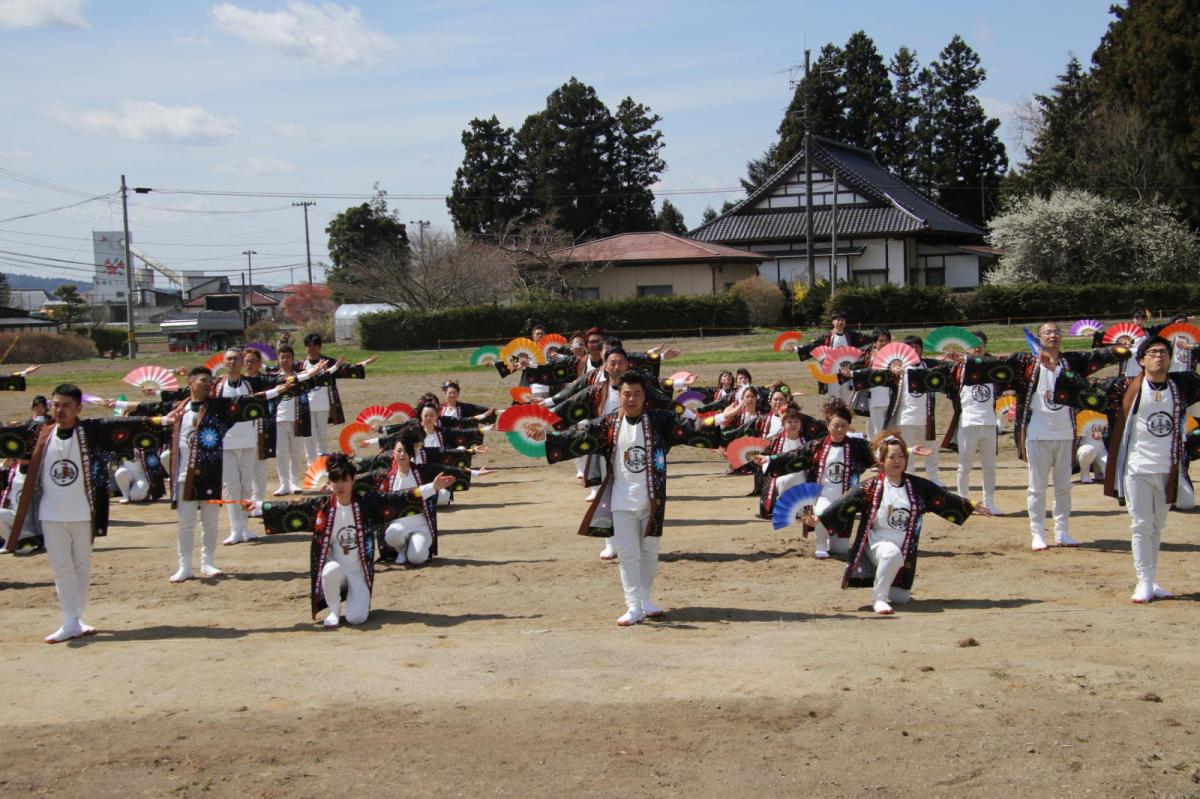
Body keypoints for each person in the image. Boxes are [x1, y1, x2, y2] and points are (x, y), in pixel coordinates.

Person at [538, 370, 723, 625]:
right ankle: (633, 606)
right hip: (621, 500)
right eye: (627, 394)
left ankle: (645, 600)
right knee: (628, 554)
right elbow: (577, 437)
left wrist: (723, 417)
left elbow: (692, 428)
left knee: (649, 552)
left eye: (637, 394)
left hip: (653, 499)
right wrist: (545, 437)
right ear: (620, 395)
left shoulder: (660, 421)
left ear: (645, 396)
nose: (632, 399)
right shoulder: (607, 425)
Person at [108, 366, 308, 581]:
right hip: (184, 476)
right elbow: (147, 407)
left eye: (210, 381)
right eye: (203, 380)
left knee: (210, 522)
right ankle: (185, 566)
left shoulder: (219, 408)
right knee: (186, 523)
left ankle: (207, 563)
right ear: (190, 384)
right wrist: (117, 404)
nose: (208, 384)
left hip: (211, 474)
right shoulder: (178, 408)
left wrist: (277, 391)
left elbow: (248, 401)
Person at [4, 384, 167, 643]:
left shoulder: (92, 432)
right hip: (51, 513)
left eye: (66, 405)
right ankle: (70, 620)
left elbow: (127, 425)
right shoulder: (39, 433)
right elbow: (6, 434)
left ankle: (75, 618)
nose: (60, 410)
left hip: (83, 512)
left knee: (81, 565)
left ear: (79, 408)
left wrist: (164, 420)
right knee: (61, 567)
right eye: (56, 405)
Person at [1055, 336, 1200, 602]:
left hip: (1168, 467)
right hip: (1137, 466)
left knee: (1158, 525)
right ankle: (1143, 581)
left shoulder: (1182, 384)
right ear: (1141, 360)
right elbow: (1084, 389)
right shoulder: (1124, 387)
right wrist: (1055, 368)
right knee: (1141, 525)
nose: (1159, 356)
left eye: (1164, 352)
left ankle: (1153, 580)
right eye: (1152, 352)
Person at [249, 453, 447, 628]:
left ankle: (354, 598)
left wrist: (432, 487)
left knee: (356, 619)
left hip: (359, 572)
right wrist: (257, 506)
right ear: (330, 483)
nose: (339, 486)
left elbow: (397, 498)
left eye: (344, 480)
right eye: (335, 481)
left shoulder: (366, 503)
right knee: (330, 569)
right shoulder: (322, 506)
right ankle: (334, 610)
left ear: (353, 480)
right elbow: (291, 508)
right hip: (338, 570)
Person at [812, 431, 992, 615]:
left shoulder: (917, 486)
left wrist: (971, 505)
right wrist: (820, 518)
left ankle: (888, 580)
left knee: (900, 598)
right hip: (877, 543)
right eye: (891, 457)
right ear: (881, 461)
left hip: (906, 550)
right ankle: (878, 598)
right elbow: (843, 503)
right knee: (891, 554)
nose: (897, 461)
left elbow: (943, 498)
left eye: (901, 456)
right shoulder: (870, 486)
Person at [757, 401, 873, 559]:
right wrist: (769, 459)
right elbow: (794, 455)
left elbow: (878, 452)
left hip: (845, 499)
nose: (839, 429)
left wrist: (901, 448)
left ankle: (832, 539)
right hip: (822, 495)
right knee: (821, 512)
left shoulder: (857, 446)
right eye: (836, 425)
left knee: (841, 549)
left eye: (843, 426)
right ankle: (820, 544)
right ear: (828, 426)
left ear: (848, 427)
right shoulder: (816, 446)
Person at [850, 335, 946, 485]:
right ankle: (909, 480)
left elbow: (946, 368)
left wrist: (955, 359)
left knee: (931, 450)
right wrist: (852, 373)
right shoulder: (897, 369)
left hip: (927, 418)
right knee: (907, 451)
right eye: (911, 348)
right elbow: (874, 374)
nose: (914, 350)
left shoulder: (927, 366)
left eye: (917, 347)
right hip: (905, 418)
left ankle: (935, 480)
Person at [941, 331, 1003, 514]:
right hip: (968, 424)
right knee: (965, 465)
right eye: (972, 344)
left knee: (989, 466)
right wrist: (946, 361)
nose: (977, 347)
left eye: (980, 344)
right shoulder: (959, 368)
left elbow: (1001, 365)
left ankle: (989, 502)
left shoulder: (992, 367)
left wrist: (968, 360)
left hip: (989, 424)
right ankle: (963, 501)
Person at [300, 332, 375, 463]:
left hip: (323, 405)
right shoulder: (301, 365)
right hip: (305, 406)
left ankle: (322, 462)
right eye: (309, 346)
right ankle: (311, 464)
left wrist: (364, 363)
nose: (312, 348)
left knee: (322, 435)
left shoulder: (328, 362)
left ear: (319, 347)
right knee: (308, 436)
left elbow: (346, 368)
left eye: (314, 345)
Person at [794, 311, 873, 401]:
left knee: (847, 398)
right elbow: (812, 345)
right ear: (833, 322)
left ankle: (845, 410)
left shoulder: (851, 336)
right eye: (838, 320)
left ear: (845, 322)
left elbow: (867, 339)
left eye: (842, 320)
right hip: (832, 372)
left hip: (847, 371)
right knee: (833, 397)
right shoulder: (827, 337)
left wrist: (878, 340)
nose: (840, 322)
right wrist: (796, 348)